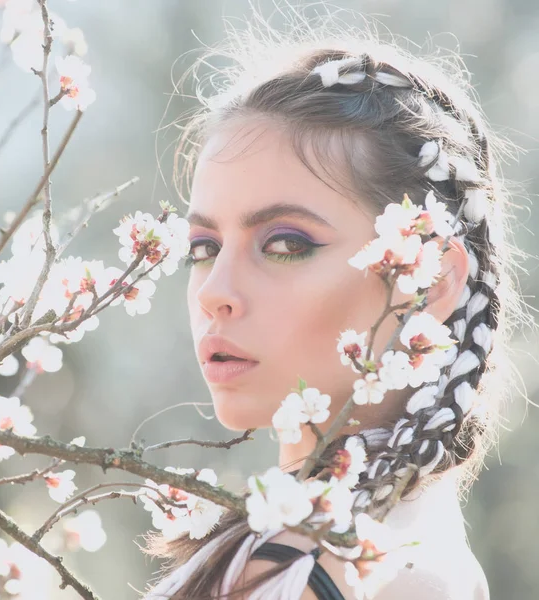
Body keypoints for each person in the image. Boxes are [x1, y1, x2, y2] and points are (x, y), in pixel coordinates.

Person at [139, 7, 532, 600]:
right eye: (204, 247)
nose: (215, 292)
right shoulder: (303, 548)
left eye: (286, 244)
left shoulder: (358, 575)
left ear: (428, 280)